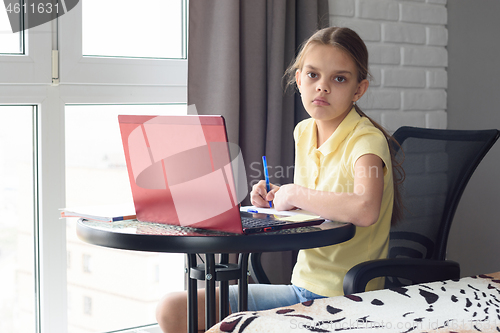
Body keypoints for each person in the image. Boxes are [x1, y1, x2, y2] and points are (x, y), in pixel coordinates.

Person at [155, 26, 404, 333]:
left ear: (358, 89)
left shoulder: (366, 140)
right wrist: (276, 200)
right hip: (301, 290)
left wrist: (295, 193)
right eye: (313, 75)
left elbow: (366, 208)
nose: (322, 87)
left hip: (345, 299)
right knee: (174, 310)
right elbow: (320, 205)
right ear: (299, 79)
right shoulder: (304, 132)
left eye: (339, 78)